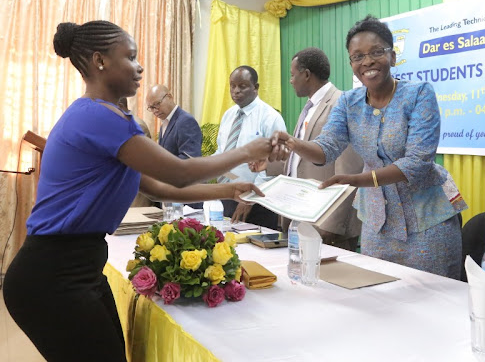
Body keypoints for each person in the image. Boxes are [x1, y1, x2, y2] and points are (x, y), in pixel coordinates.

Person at [2, 20, 274, 362]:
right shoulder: (98, 117)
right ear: (100, 61)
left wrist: (230, 188)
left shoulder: (107, 117)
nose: (139, 66)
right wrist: (247, 151)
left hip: (77, 267)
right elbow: (179, 173)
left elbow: (158, 187)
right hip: (53, 275)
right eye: (130, 57)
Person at [271, 16, 466, 278]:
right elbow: (326, 148)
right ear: (351, 64)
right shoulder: (348, 103)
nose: (367, 61)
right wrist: (293, 143)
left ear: (392, 57)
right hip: (377, 224)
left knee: (432, 296)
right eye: (358, 56)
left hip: (428, 221)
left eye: (376, 52)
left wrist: (358, 180)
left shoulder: (419, 93)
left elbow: (418, 162)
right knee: (377, 292)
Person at [265, 47, 363, 250]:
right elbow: (300, 161)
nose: (291, 81)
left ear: (307, 74)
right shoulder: (310, 107)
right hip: (301, 217)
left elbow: (348, 169)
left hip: (325, 223)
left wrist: (331, 226)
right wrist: (267, 166)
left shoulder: (340, 104)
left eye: (293, 75)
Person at [214, 65, 287, 228]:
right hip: (228, 194)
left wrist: (250, 198)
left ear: (256, 87)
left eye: (242, 86)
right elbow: (221, 151)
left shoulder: (270, 117)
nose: (236, 91)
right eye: (232, 86)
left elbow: (275, 164)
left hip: (258, 202)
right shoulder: (228, 115)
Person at [146, 83, 202, 160]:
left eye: (157, 104)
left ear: (170, 97)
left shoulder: (186, 121)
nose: (155, 110)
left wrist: (162, 165)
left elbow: (190, 158)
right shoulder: (165, 123)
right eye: (151, 107)